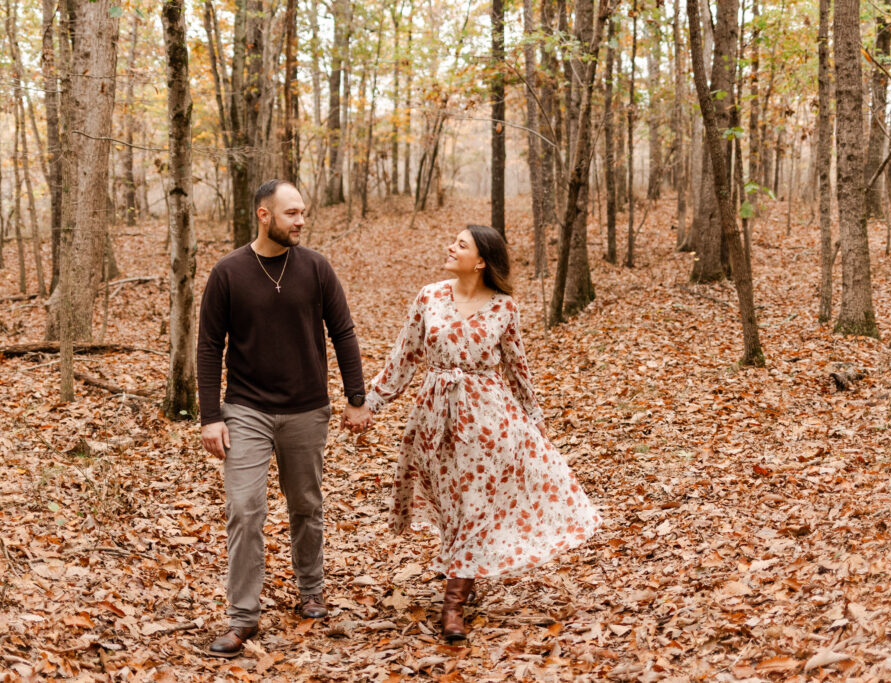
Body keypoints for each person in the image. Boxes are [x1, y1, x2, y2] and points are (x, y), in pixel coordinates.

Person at [359, 224, 601, 641]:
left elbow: (517, 369)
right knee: (452, 505)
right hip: (434, 417)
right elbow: (404, 356)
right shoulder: (429, 297)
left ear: (482, 260)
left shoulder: (504, 308)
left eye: (461, 245)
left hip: (488, 421)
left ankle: (453, 606)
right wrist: (369, 404)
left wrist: (536, 425)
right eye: (452, 240)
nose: (450, 247)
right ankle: (462, 570)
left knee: (472, 506)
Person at [196, 179, 372, 658]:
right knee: (245, 509)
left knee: (306, 505)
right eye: (291, 213)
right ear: (263, 215)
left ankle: (310, 590)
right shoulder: (228, 272)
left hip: (306, 408)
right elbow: (210, 346)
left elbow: (343, 332)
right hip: (246, 409)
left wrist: (357, 398)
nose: (300, 221)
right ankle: (243, 617)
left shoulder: (315, 268)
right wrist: (210, 416)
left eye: (302, 213)